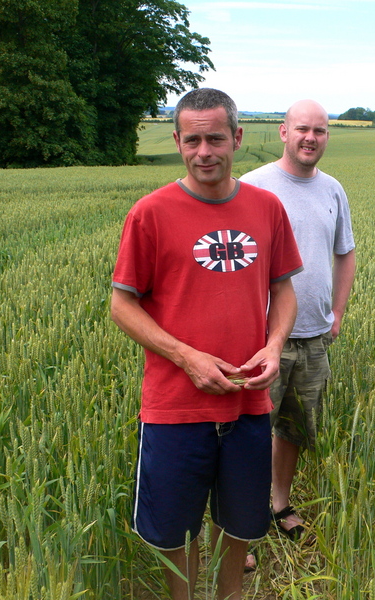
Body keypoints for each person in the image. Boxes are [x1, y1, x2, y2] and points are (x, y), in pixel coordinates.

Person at [110, 88, 303, 600]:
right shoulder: (150, 213)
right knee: (175, 531)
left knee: (240, 525)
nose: (204, 152)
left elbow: (283, 287)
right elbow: (121, 304)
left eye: (215, 138)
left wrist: (274, 344)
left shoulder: (267, 209)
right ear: (177, 141)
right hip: (174, 406)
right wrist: (186, 357)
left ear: (237, 138)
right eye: (192, 140)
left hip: (247, 403)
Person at [240, 99, 356, 539]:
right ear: (283, 132)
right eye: (302, 129)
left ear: (327, 136)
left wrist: (338, 311)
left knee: (294, 429)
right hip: (262, 339)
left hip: (313, 337)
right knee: (248, 434)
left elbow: (345, 252)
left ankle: (278, 503)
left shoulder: (333, 190)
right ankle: (242, 526)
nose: (311, 138)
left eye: (320, 131)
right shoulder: (252, 187)